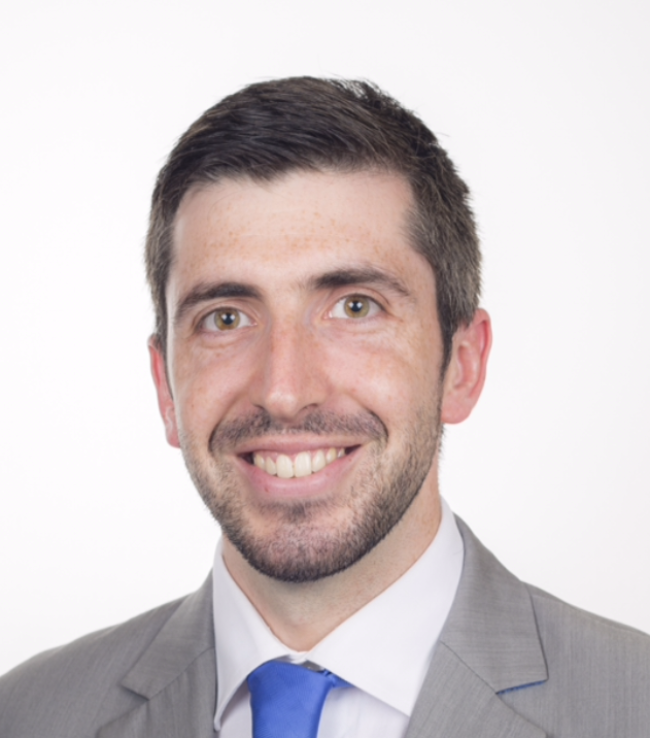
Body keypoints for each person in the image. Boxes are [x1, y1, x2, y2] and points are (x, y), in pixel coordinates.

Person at [0, 77, 648, 738]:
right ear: (166, 387)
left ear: (463, 364)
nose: (284, 390)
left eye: (354, 307)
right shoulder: (26, 715)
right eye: (225, 318)